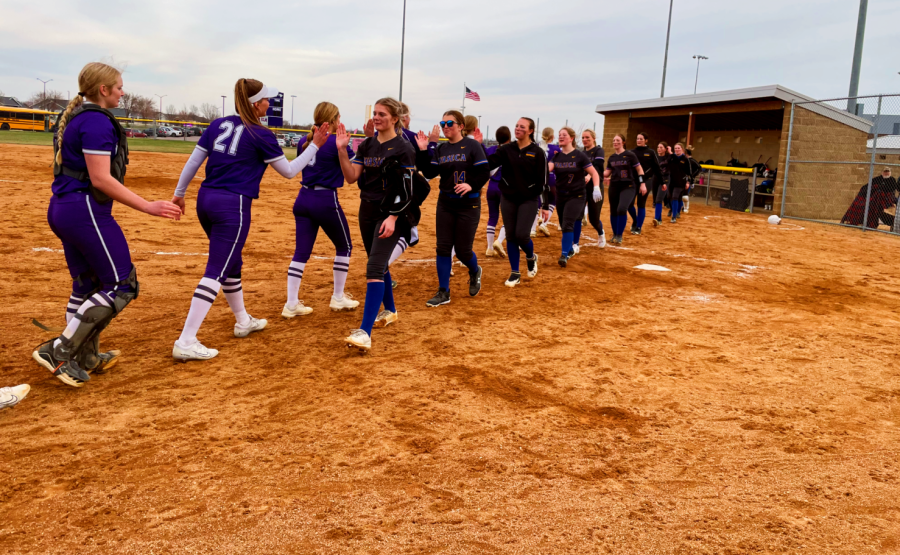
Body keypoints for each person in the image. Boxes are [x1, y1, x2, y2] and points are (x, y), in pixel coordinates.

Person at [32, 62, 181, 388]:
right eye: (119, 86)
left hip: (64, 208)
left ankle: (84, 356)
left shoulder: (78, 117)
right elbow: (100, 178)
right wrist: (147, 206)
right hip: (84, 211)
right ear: (103, 90)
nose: (122, 91)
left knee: (87, 286)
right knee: (122, 285)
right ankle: (60, 351)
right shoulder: (96, 123)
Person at [171, 78, 328, 361]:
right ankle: (186, 339)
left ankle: (243, 320)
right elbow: (290, 172)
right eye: (266, 99)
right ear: (256, 104)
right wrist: (315, 146)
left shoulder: (218, 124)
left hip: (205, 200)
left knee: (232, 262)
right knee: (216, 269)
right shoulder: (260, 133)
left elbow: (194, 162)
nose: (269, 103)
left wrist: (179, 193)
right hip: (233, 205)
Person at [335, 98, 416, 351]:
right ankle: (390, 310)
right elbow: (351, 177)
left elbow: (408, 190)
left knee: (373, 268)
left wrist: (393, 217)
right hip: (366, 210)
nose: (377, 118)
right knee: (377, 263)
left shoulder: (403, 148)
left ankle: (364, 332)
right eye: (375, 113)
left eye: (382, 114)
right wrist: (341, 150)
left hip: (390, 213)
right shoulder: (367, 144)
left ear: (395, 119)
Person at [285, 101, 359, 318]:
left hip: (303, 198)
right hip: (325, 199)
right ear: (334, 119)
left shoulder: (303, 140)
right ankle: (337, 297)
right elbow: (353, 171)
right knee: (344, 246)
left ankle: (291, 303)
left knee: (301, 253)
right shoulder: (336, 142)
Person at [416, 110, 490, 307]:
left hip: (469, 204)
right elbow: (430, 172)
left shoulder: (473, 146)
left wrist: (471, 185)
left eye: (450, 123)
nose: (445, 126)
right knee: (443, 247)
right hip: (446, 203)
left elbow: (484, 172)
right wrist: (424, 150)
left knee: (463, 251)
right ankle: (443, 291)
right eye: (443, 124)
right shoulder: (441, 149)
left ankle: (475, 271)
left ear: (461, 126)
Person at [473, 118, 547, 287]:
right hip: (508, 198)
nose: (518, 128)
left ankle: (531, 257)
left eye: (522, 127)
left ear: (530, 131)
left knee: (522, 235)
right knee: (511, 236)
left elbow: (543, 181)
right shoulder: (506, 149)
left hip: (528, 199)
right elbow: (488, 163)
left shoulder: (537, 152)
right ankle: (515, 273)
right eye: (516, 126)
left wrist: (544, 205)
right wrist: (479, 146)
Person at [548, 127, 601, 267]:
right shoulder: (557, 156)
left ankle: (564, 255)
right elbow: (546, 170)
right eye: (559, 135)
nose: (560, 137)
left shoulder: (579, 155)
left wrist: (596, 187)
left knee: (567, 223)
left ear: (571, 138)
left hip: (577, 195)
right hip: (561, 196)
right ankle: (570, 248)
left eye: (564, 135)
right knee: (563, 223)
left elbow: (594, 173)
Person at [602, 134, 645, 245]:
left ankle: (619, 235)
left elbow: (640, 170)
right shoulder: (612, 158)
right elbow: (607, 173)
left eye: (617, 140)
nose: (615, 142)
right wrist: (594, 173)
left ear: (623, 142)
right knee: (613, 210)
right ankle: (615, 234)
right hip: (614, 186)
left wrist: (642, 183)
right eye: (614, 140)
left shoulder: (630, 155)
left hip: (628, 186)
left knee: (622, 208)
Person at [573, 129, 606, 250]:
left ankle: (601, 233)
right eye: (583, 138)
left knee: (593, 218)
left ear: (593, 138)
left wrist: (589, 176)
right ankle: (575, 244)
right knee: (578, 215)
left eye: (587, 137)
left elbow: (596, 166)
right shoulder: (580, 153)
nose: (585, 140)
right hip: (582, 188)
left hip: (596, 187)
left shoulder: (598, 150)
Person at [484, 126, 511, 257]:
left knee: (492, 217)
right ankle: (499, 241)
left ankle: (489, 248)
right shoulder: (511, 150)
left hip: (491, 187)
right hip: (505, 188)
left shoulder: (490, 150)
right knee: (508, 218)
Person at [629, 132, 661, 235]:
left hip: (647, 180)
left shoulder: (651, 152)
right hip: (634, 180)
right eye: (637, 139)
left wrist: (663, 182)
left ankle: (638, 227)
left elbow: (657, 168)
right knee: (629, 204)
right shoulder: (631, 152)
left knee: (641, 203)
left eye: (641, 139)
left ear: (646, 140)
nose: (639, 140)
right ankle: (635, 220)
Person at [536, 127, 560, 236]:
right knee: (552, 200)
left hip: (537, 178)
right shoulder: (556, 148)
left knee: (536, 202)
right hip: (551, 177)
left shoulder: (537, 146)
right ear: (552, 136)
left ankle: (532, 229)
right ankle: (544, 223)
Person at [663, 143, 692, 223]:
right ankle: (677, 211)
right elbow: (666, 163)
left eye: (678, 148)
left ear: (682, 149)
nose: (677, 150)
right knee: (671, 197)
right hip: (671, 181)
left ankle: (674, 216)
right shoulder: (671, 157)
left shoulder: (685, 159)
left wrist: (688, 182)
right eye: (675, 148)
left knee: (675, 197)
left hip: (680, 182)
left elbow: (689, 172)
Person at [653, 142, 670, 226]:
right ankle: (659, 219)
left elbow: (674, 159)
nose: (659, 149)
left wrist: (670, 151)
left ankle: (656, 218)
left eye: (661, 147)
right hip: (655, 179)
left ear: (665, 149)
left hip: (665, 179)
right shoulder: (655, 157)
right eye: (658, 147)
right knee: (656, 200)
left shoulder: (668, 157)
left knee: (659, 199)